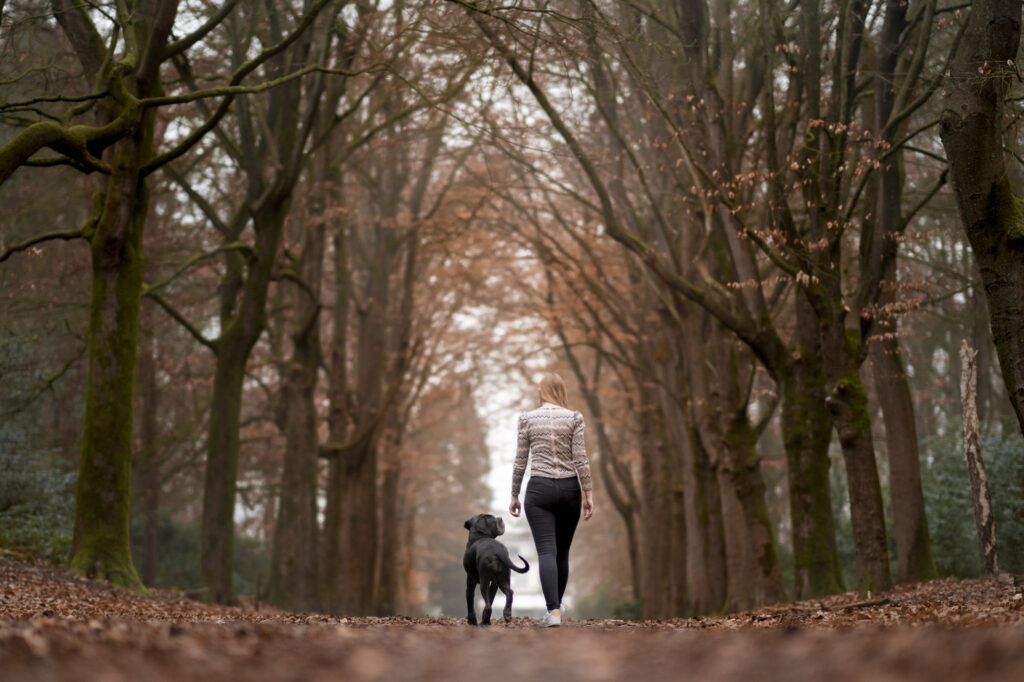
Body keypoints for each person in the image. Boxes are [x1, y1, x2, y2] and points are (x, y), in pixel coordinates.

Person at [509, 373, 594, 627]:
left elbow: (520, 460)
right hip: (569, 490)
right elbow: (581, 459)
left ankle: (553, 612)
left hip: (539, 490)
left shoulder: (527, 419)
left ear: (542, 391)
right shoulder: (575, 418)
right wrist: (588, 493)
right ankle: (556, 609)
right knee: (562, 553)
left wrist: (514, 494)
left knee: (546, 551)